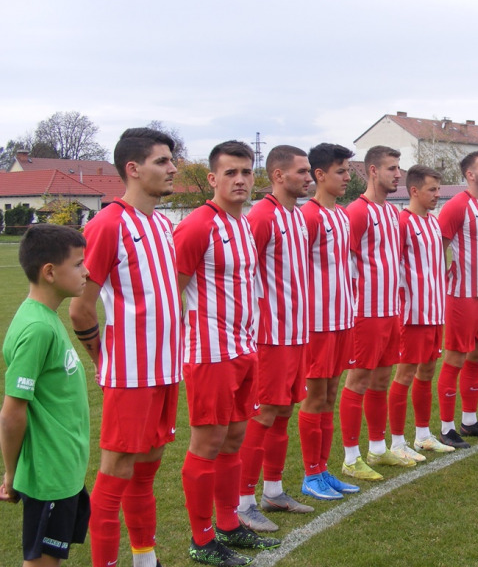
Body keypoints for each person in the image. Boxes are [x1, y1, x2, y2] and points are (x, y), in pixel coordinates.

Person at [70, 127, 182, 567]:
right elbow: (81, 308)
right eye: (162, 161)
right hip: (132, 372)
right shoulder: (108, 223)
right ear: (133, 169)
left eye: (172, 160)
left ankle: (145, 558)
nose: (172, 168)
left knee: (147, 470)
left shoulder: (160, 224)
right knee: (116, 473)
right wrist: (105, 359)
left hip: (166, 368)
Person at [173, 141, 279, 565]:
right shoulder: (198, 225)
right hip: (210, 352)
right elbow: (172, 290)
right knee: (208, 441)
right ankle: (202, 540)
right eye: (230, 173)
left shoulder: (242, 224)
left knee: (235, 436)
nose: (240, 180)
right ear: (213, 179)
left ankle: (230, 523)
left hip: (243, 347)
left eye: (246, 172)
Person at [1, 225, 90, 567]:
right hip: (49, 473)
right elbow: (11, 412)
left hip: (63, 466)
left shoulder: (45, 318)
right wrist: (11, 476)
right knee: (42, 562)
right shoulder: (36, 328)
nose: (87, 271)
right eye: (78, 264)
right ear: (50, 272)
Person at [238, 145, 314, 518]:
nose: (308, 177)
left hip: (297, 333)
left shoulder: (297, 216)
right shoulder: (262, 216)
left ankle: (273, 490)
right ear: (279, 175)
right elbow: (243, 274)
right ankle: (243, 501)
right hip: (270, 336)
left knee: (283, 411)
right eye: (301, 171)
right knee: (264, 414)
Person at [340, 145, 411, 481]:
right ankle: (350, 457)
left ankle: (378, 449)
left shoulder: (392, 213)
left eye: (399, 169)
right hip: (364, 312)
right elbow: (344, 263)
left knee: (381, 380)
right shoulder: (357, 211)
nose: (398, 174)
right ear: (372, 171)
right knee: (358, 380)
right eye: (392, 168)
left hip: (389, 310)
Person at [297, 143, 361, 499]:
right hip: (316, 324)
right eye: (341, 172)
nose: (348, 178)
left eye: (348, 171)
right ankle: (310, 475)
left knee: (331, 395)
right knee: (314, 396)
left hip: (342, 320)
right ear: (319, 175)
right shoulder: (309, 216)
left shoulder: (342, 215)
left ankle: (323, 469)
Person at [388, 164, 455, 456]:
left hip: (434, 311)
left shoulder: (433, 222)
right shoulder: (402, 223)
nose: (437, 195)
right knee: (405, 374)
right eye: (432, 189)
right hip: (412, 314)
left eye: (438, 189)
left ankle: (423, 434)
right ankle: (397, 442)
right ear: (414, 190)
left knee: (427, 372)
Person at [436, 151, 478, 447]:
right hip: (462, 296)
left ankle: (470, 421)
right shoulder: (456, 206)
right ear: (470, 175)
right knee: (455, 359)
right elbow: (438, 251)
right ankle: (447, 427)